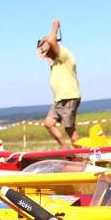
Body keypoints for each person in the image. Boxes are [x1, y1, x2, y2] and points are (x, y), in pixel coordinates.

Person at [38, 19, 81, 148]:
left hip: (68, 97)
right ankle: (64, 147)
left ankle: (82, 152)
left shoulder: (64, 55)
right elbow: (47, 53)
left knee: (69, 129)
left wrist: (55, 27)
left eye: (48, 51)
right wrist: (43, 46)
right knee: (49, 123)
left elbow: (51, 42)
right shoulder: (55, 60)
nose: (46, 55)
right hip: (59, 99)